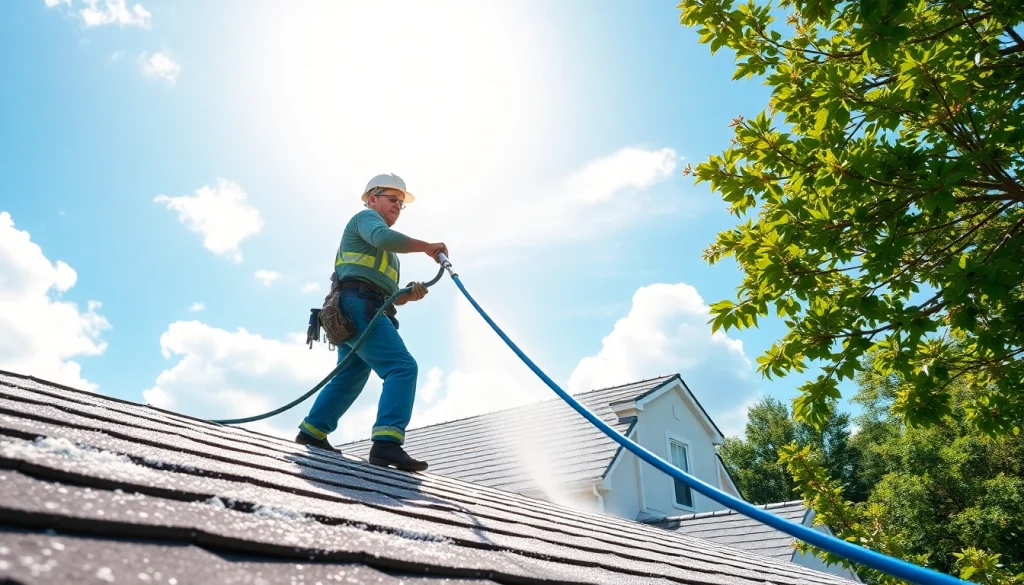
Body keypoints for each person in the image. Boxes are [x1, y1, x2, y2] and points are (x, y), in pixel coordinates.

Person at [296, 173, 447, 472]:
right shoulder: (365, 219)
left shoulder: (390, 256)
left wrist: (407, 295)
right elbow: (383, 238)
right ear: (372, 199)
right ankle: (386, 443)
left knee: (351, 374)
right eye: (393, 199)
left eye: (401, 203)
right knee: (402, 367)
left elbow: (389, 296)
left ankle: (312, 432)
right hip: (358, 305)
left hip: (360, 307)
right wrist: (427, 246)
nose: (397, 206)